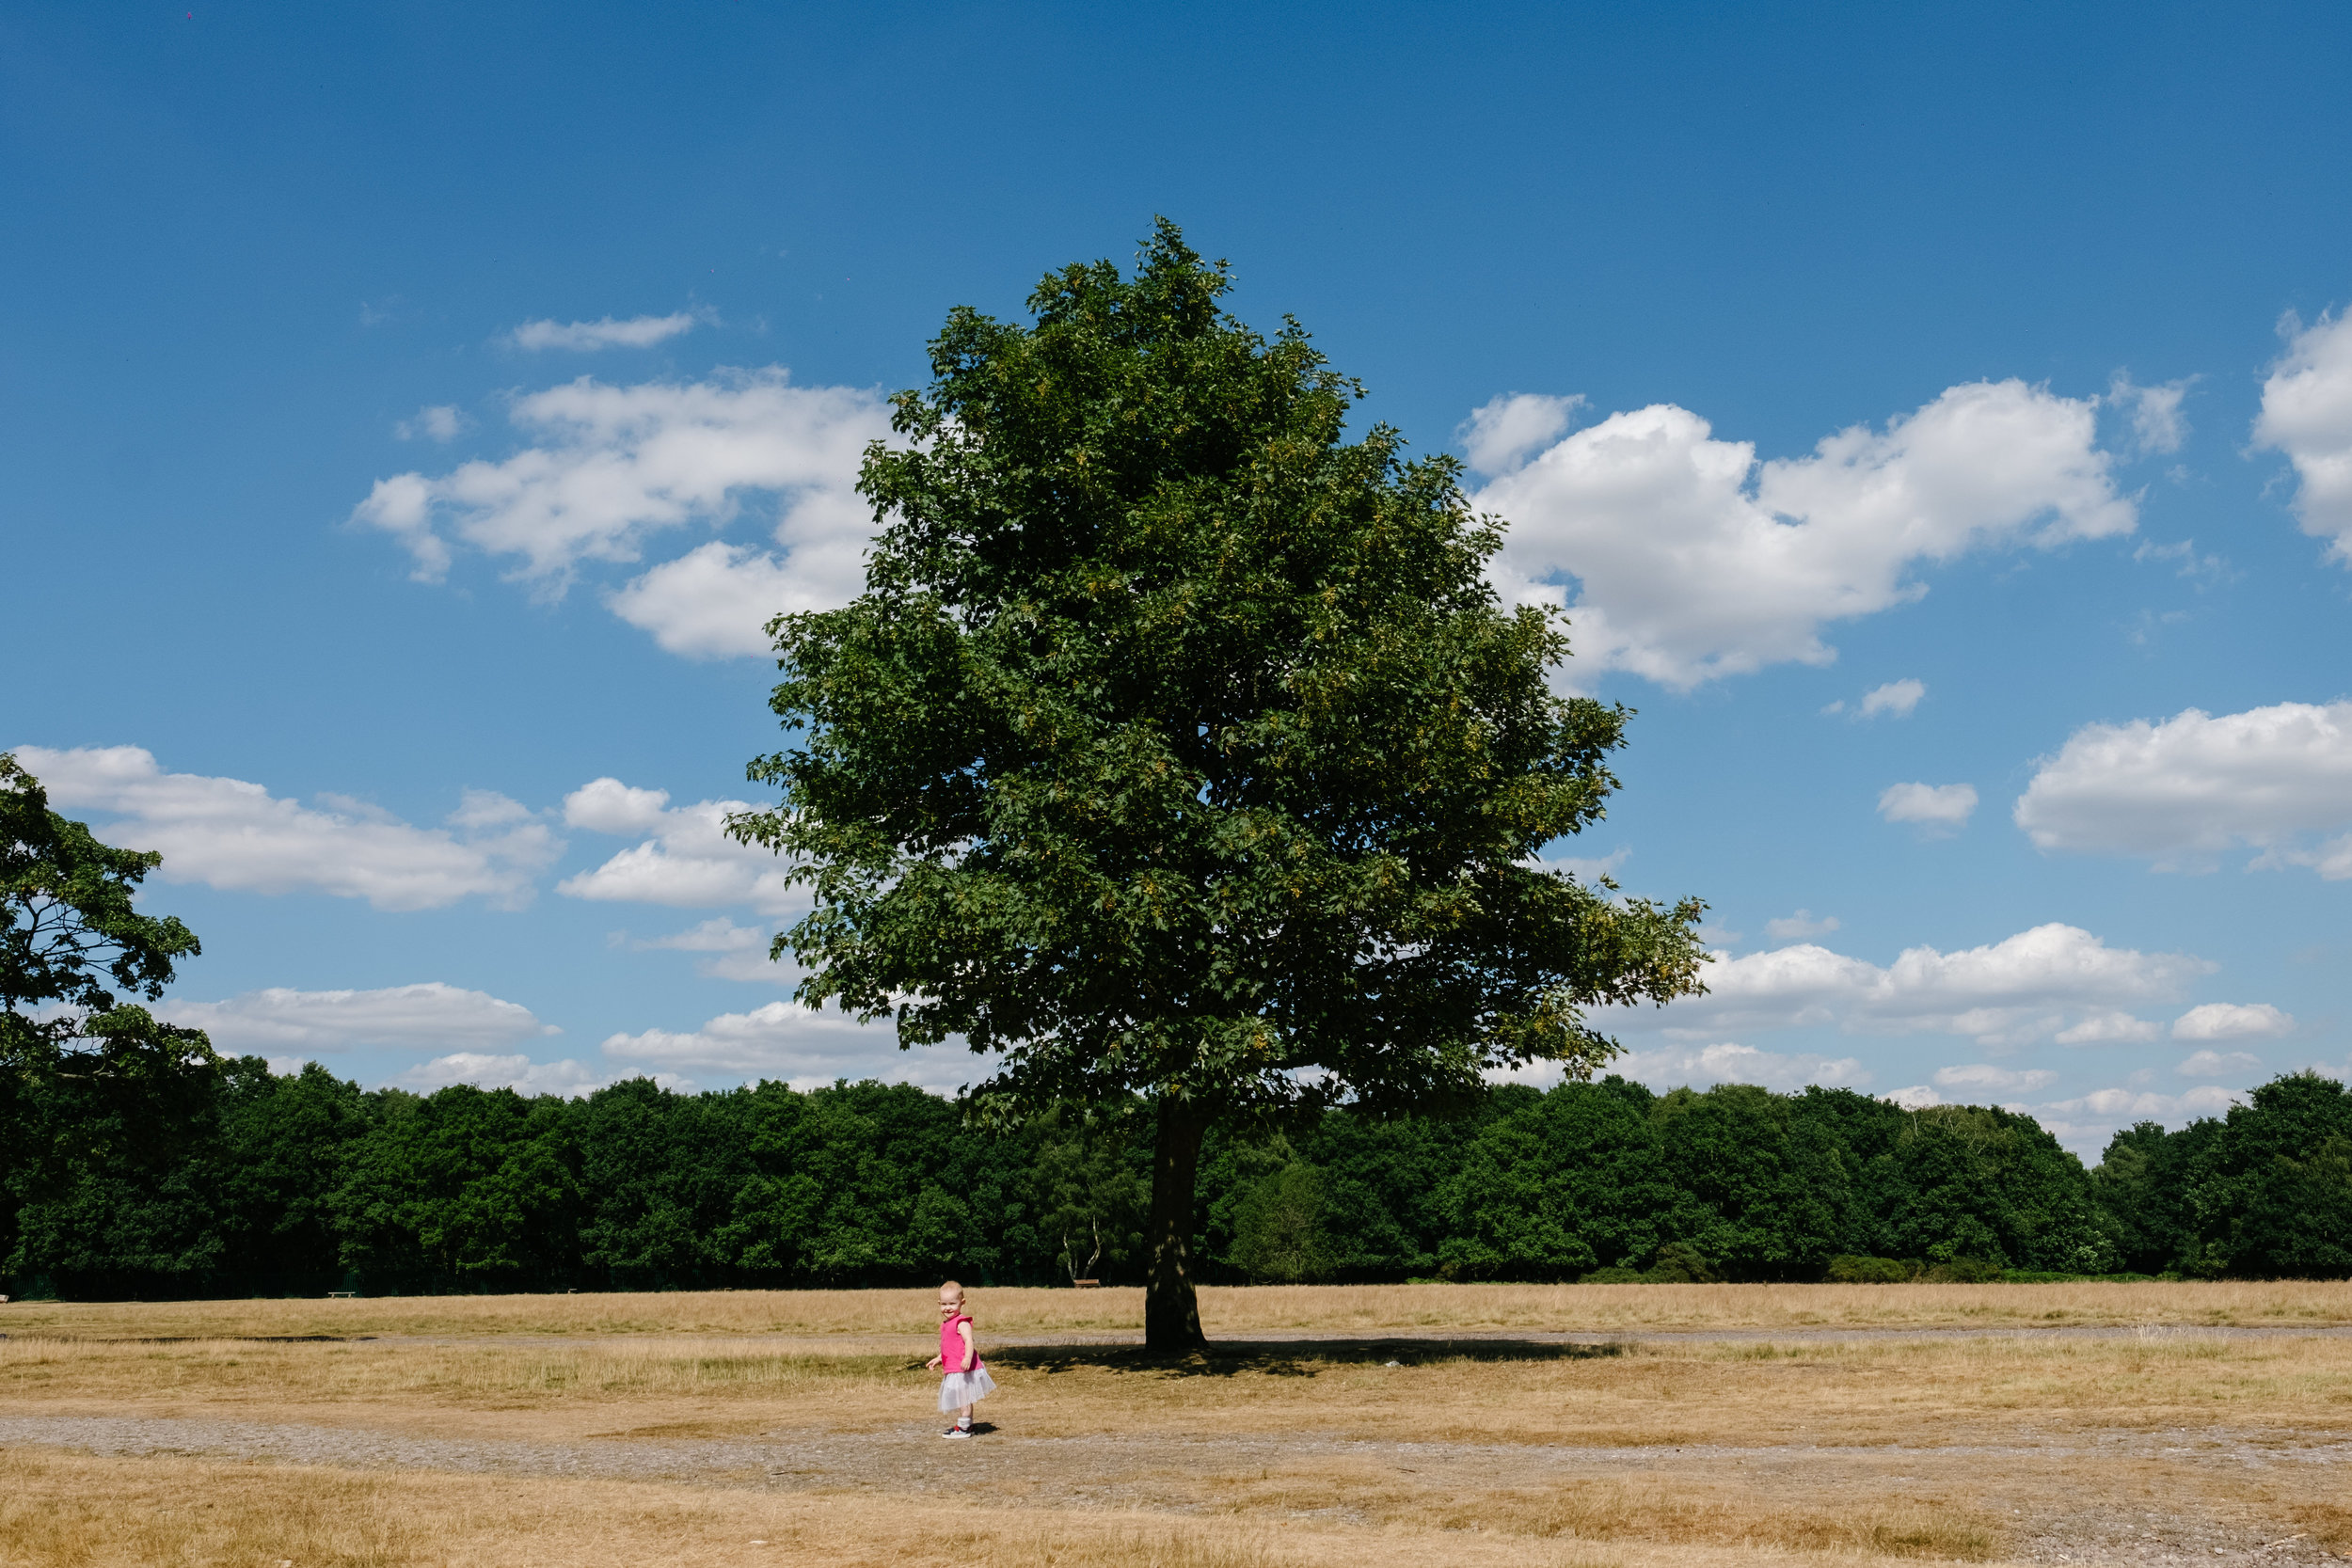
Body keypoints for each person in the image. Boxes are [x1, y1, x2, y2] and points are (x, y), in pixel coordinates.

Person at [926, 1279, 995, 1438]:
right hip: (954, 1366)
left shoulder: (961, 1322)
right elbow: (949, 1347)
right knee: (962, 1396)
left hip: (962, 1367)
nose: (947, 1308)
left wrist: (968, 1357)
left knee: (963, 1397)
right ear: (939, 1304)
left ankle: (964, 1426)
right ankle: (966, 1424)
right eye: (943, 1304)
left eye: (952, 1303)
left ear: (962, 1302)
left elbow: (969, 1341)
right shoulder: (946, 1324)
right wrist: (939, 1358)